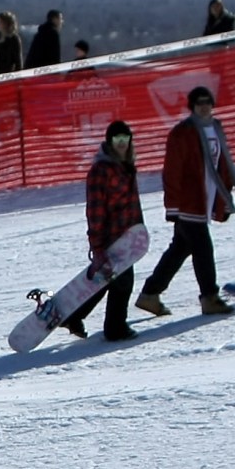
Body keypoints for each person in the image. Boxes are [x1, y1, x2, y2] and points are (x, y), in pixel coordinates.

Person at [135, 87, 235, 321]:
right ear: (192, 106)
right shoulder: (182, 133)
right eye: (199, 103)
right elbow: (173, 171)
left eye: (207, 102)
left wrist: (225, 199)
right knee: (203, 249)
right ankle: (209, 297)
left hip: (205, 199)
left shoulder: (216, 128)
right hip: (189, 202)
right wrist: (173, 206)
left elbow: (222, 165)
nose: (204, 106)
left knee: (181, 248)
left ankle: (150, 294)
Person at [67, 122, 143, 342]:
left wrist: (138, 229)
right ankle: (115, 328)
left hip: (127, 235)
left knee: (109, 279)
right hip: (111, 236)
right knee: (123, 282)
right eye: (117, 140)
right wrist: (98, 245)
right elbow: (95, 210)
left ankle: (74, 315)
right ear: (109, 142)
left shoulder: (126, 165)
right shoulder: (102, 170)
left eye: (125, 140)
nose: (121, 145)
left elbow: (132, 203)